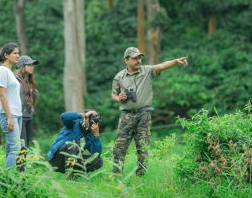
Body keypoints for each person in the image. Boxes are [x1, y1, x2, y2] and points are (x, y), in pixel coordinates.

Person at [111, 47, 188, 176]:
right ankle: (116, 176)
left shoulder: (146, 71)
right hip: (126, 115)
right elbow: (113, 94)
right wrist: (118, 97)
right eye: (135, 58)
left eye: (139, 57)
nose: (138, 60)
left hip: (144, 115)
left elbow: (162, 66)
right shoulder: (119, 76)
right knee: (119, 147)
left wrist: (175, 61)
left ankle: (140, 177)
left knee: (143, 148)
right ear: (126, 60)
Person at [47, 110, 103, 174]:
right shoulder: (73, 123)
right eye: (91, 119)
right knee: (73, 145)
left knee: (99, 161)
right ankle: (69, 174)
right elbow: (64, 116)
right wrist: (83, 115)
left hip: (72, 160)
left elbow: (96, 154)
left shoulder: (91, 135)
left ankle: (73, 177)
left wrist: (96, 135)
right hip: (56, 160)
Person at [0, 42, 23, 168]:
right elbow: (2, 95)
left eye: (18, 53)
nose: (18, 56)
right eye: (15, 53)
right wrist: (9, 117)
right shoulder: (2, 71)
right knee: (15, 148)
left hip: (17, 114)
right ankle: (9, 180)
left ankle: (4, 179)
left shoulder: (10, 72)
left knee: (11, 147)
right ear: (6, 55)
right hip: (8, 114)